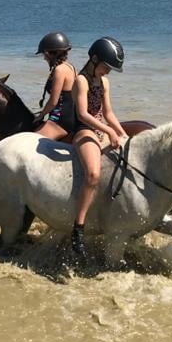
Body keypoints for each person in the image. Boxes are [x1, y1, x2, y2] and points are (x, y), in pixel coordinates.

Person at [70, 37, 128, 261]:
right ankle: (78, 228)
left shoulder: (104, 82)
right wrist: (108, 131)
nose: (108, 72)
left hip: (101, 129)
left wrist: (122, 133)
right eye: (106, 66)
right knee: (93, 174)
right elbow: (83, 114)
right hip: (84, 131)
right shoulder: (81, 81)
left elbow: (109, 113)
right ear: (94, 59)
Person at [33, 32, 77, 140]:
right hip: (72, 116)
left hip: (60, 120)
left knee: (31, 140)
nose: (44, 58)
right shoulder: (70, 67)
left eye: (44, 54)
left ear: (51, 53)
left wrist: (40, 115)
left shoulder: (59, 70)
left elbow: (53, 101)